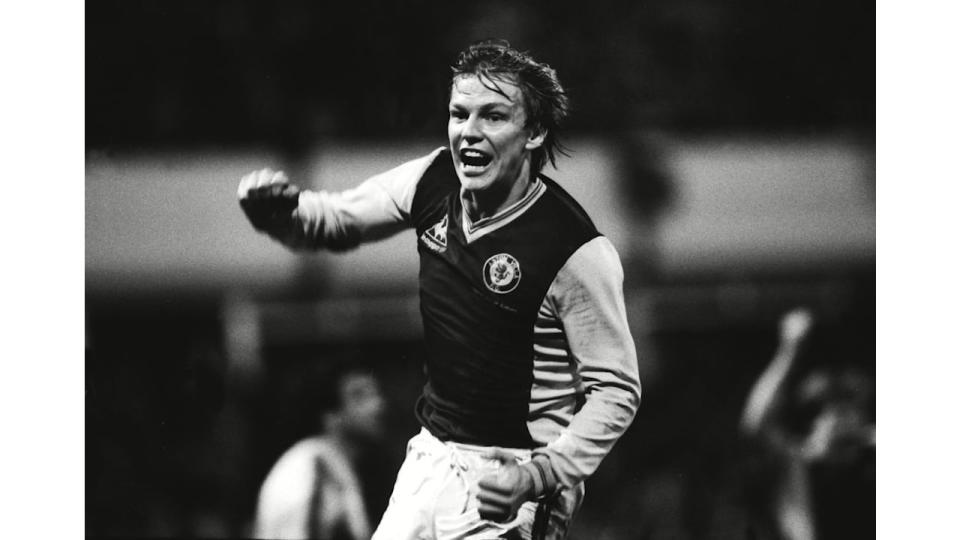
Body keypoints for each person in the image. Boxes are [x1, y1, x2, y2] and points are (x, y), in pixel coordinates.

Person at [238, 40, 641, 540]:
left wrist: (539, 474)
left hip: (513, 476)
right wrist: (280, 215)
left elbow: (617, 391)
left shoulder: (574, 249)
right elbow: (339, 219)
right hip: (429, 459)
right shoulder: (432, 180)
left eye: (493, 116)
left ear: (534, 132)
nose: (469, 132)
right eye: (459, 114)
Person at [740, 309, 875, 540]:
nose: (838, 416)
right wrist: (788, 351)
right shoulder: (796, 461)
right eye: (826, 408)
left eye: (848, 404)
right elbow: (757, 423)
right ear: (813, 424)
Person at [254, 368, 387, 540]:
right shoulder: (312, 466)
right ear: (329, 416)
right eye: (359, 397)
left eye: (376, 394)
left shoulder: (333, 464)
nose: (378, 405)